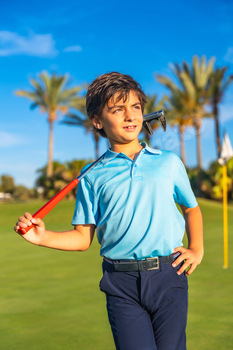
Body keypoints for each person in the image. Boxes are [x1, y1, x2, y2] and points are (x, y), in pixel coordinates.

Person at [15, 72, 203, 350]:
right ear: (97, 120)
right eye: (118, 109)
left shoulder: (169, 162)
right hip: (120, 282)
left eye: (136, 107)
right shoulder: (91, 175)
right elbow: (82, 238)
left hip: (168, 274)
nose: (130, 116)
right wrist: (42, 238)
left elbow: (192, 208)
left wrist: (196, 248)